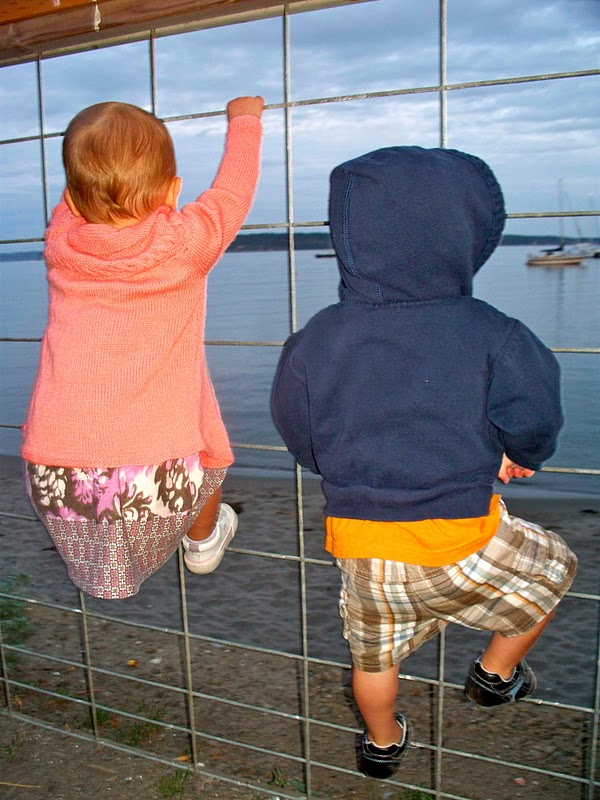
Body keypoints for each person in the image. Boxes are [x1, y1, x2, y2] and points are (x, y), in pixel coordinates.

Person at [270, 146, 577, 779]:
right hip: (462, 537)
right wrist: (520, 453)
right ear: (465, 235)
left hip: (362, 548)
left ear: (350, 236)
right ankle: (495, 675)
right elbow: (535, 409)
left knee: (373, 660)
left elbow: (294, 421)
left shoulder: (318, 337)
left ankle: (382, 743)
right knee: (552, 572)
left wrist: (330, 462)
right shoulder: (492, 330)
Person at [22, 95, 264, 599]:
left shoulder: (60, 245)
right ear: (173, 191)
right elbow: (233, 191)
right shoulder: (185, 244)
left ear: (71, 199)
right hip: (159, 475)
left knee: (105, 553)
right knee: (209, 461)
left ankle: (109, 580)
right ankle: (201, 543)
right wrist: (245, 120)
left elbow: (73, 202)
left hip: (56, 473)